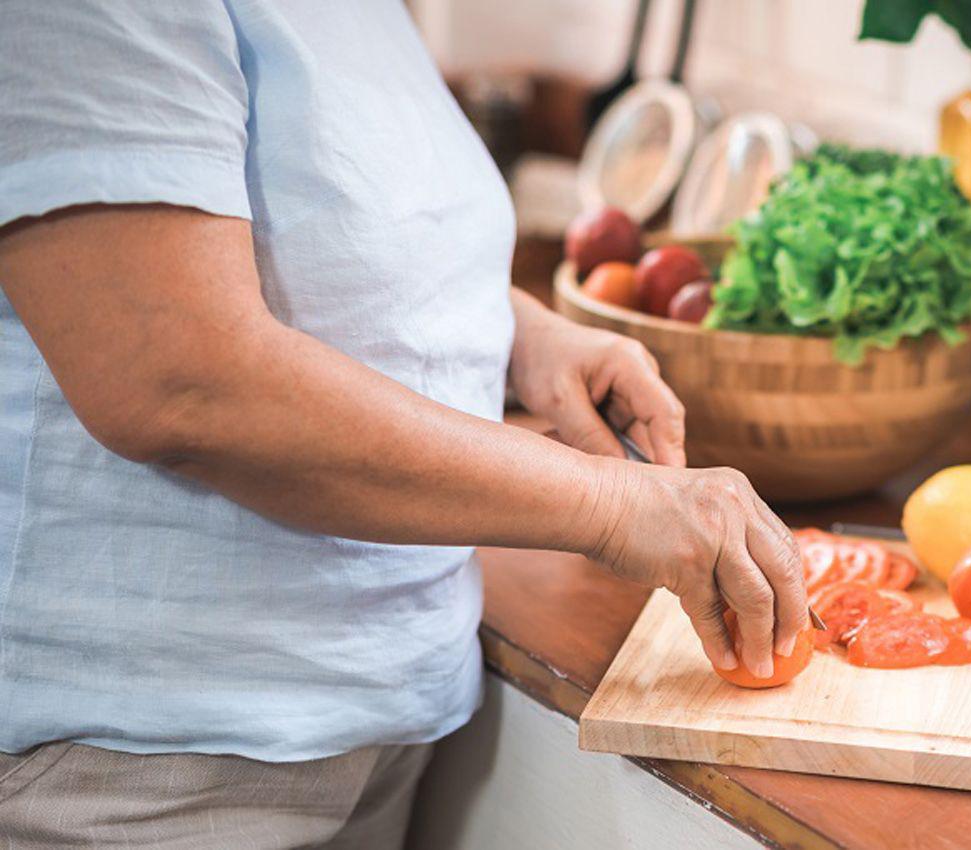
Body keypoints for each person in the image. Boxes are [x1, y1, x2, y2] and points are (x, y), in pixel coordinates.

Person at [0, 4, 805, 847]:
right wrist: (612, 505)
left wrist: (522, 338)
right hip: (138, 759)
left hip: (372, 723)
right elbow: (178, 377)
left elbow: (329, 230)